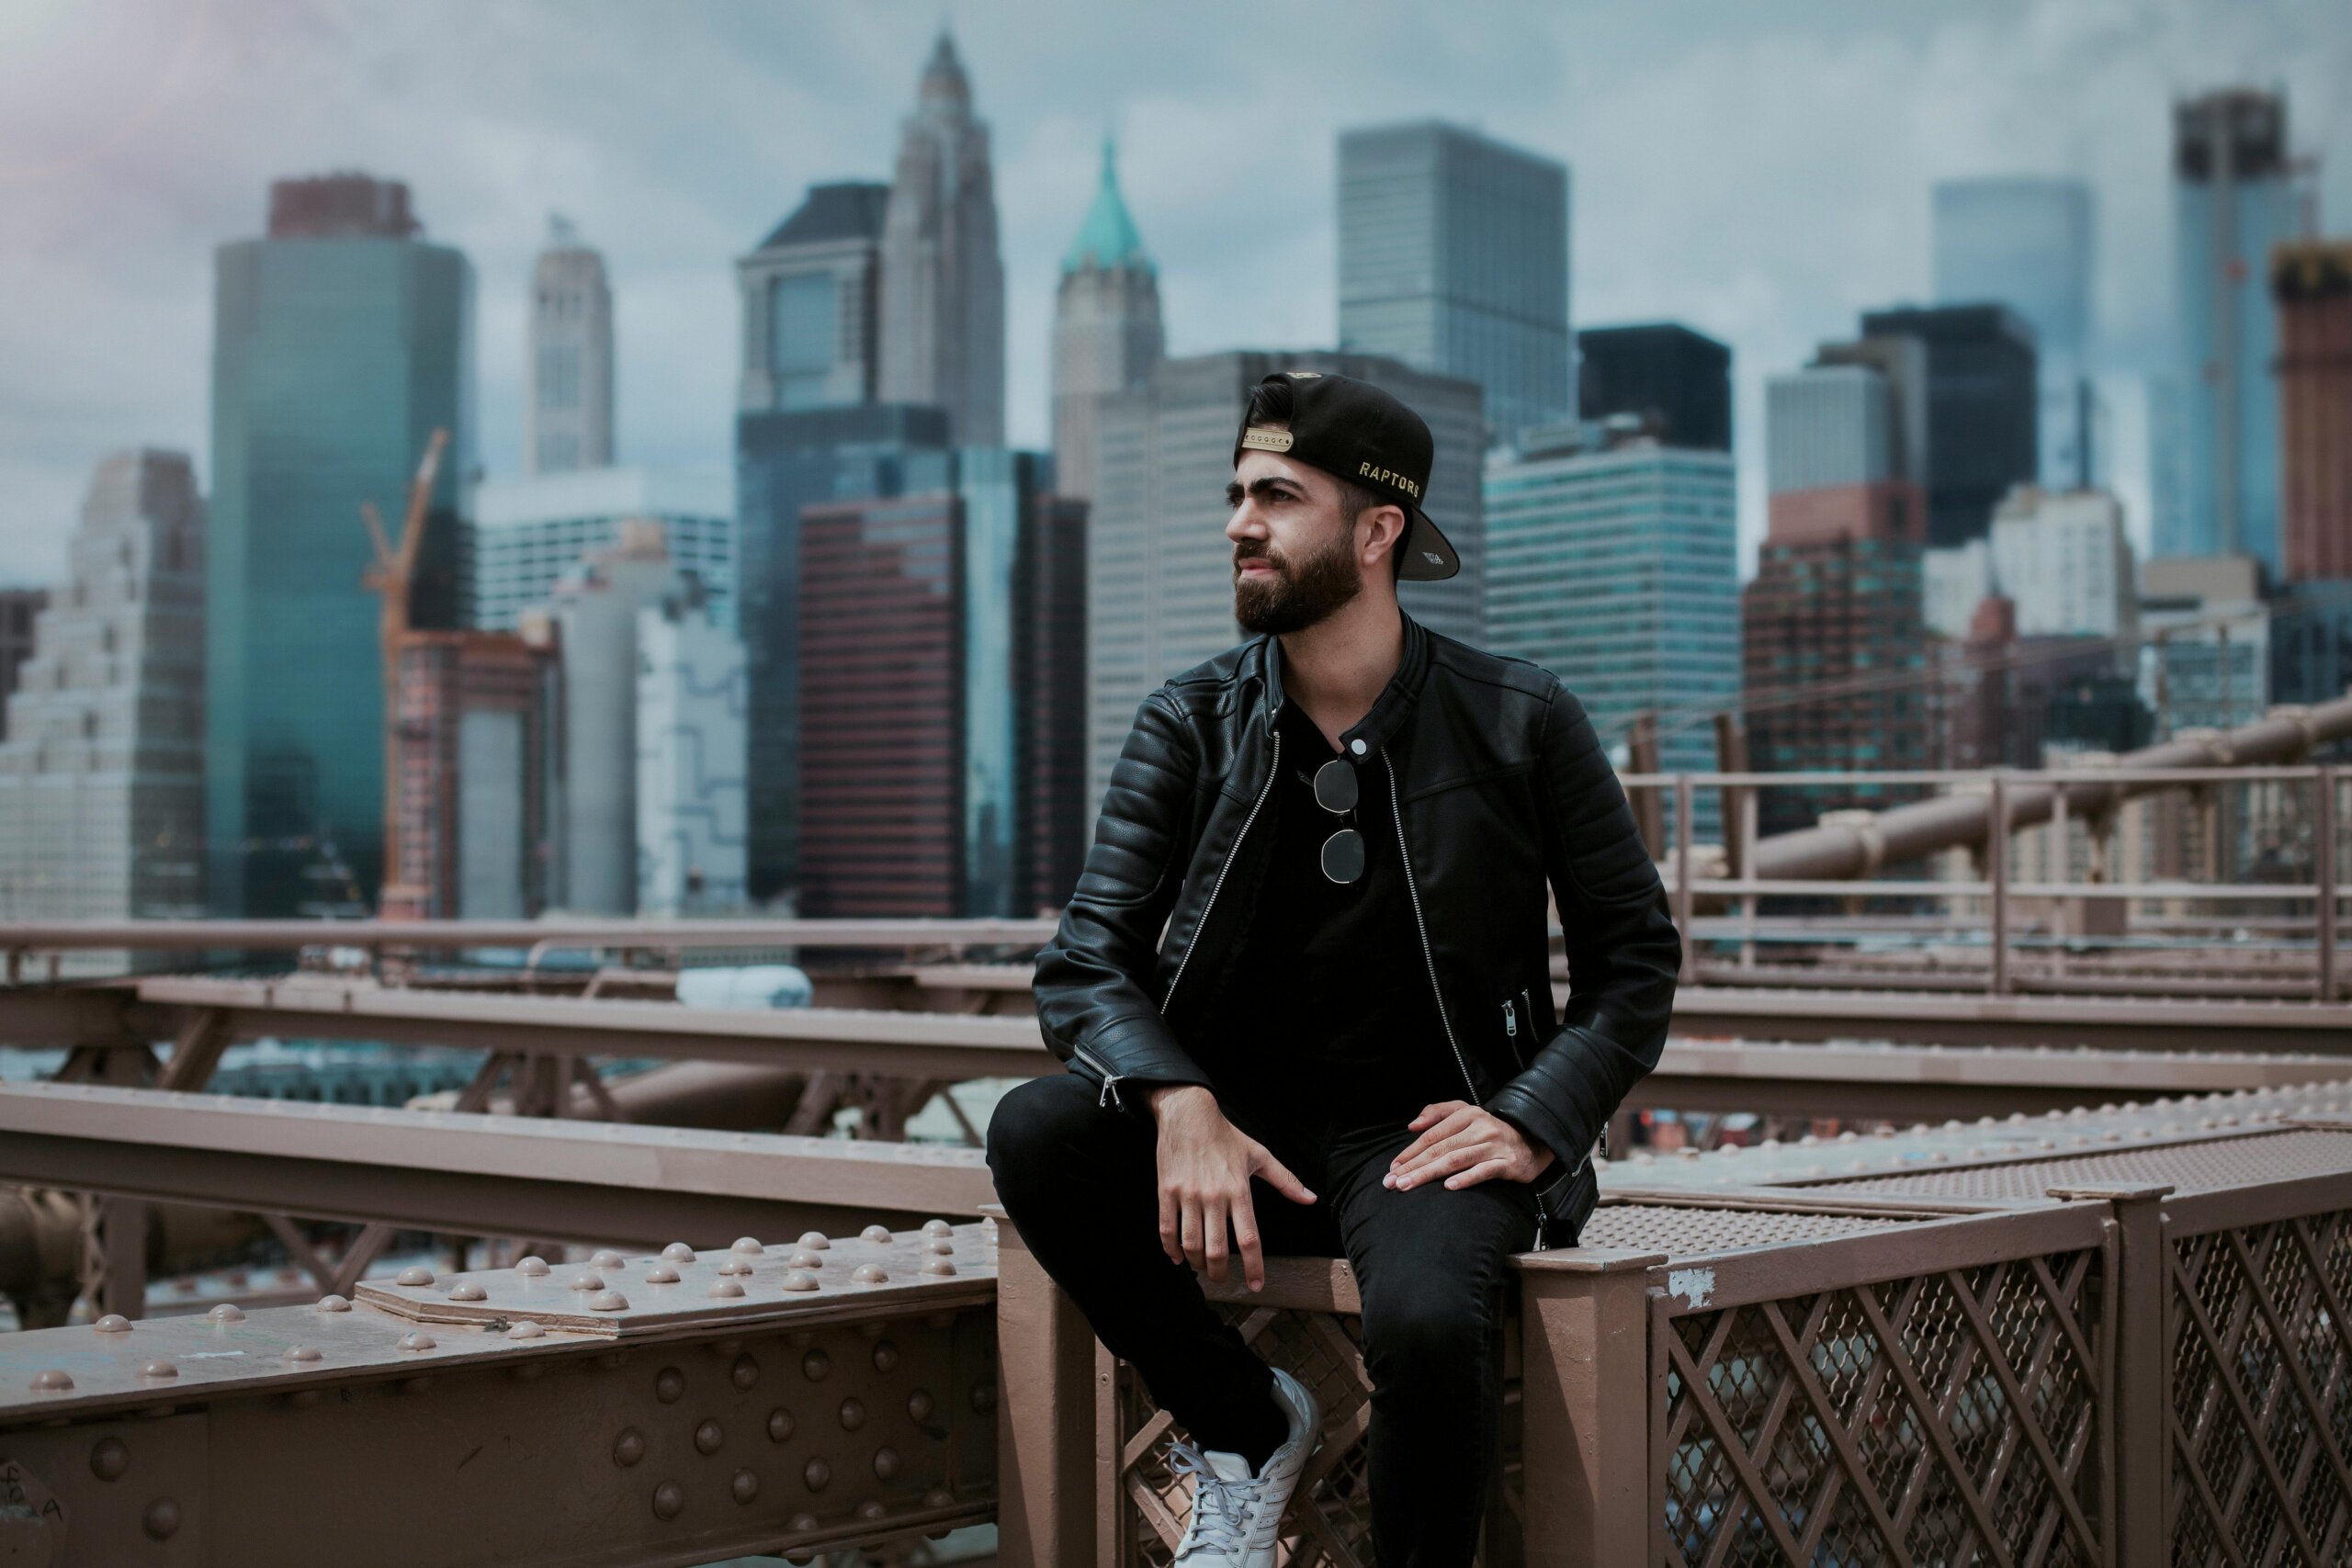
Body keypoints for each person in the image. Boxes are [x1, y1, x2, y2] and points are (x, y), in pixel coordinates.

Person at [987, 369, 1680, 1567]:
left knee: (1422, 1323)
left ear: (1376, 532)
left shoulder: (1522, 720)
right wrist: (1179, 1100)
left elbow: (1635, 962)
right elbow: (1084, 963)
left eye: (1276, 496)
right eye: (1236, 494)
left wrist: (1531, 1120)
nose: (1237, 523)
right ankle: (1247, 1428)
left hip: (1423, 1137)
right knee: (1035, 1135)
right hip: (1238, 1136)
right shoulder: (1188, 722)